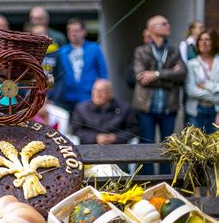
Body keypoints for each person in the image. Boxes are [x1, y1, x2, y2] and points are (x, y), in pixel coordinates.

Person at [133, 15, 187, 175]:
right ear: (152, 29)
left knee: (168, 147)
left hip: (168, 107)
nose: (168, 26)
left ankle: (166, 181)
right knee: (146, 146)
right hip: (145, 107)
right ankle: (148, 182)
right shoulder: (141, 51)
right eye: (164, 24)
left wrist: (156, 74)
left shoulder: (173, 50)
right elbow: (141, 77)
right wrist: (170, 78)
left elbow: (183, 74)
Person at [59, 17, 108, 112]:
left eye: (76, 30)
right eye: (70, 30)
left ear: (84, 31)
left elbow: (103, 73)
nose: (73, 33)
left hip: (88, 96)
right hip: (67, 98)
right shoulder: (62, 51)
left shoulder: (94, 48)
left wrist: (103, 93)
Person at [71, 79, 137, 145]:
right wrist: (95, 138)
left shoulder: (124, 108)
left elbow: (134, 130)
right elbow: (76, 131)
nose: (97, 94)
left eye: (102, 91)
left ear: (110, 93)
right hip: (90, 147)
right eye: (95, 90)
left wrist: (116, 137)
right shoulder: (81, 108)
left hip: (118, 147)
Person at [185, 29, 219, 134]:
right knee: (194, 146)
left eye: (207, 39)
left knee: (214, 147)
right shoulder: (191, 63)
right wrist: (216, 96)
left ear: (213, 42)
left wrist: (206, 85)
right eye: (201, 40)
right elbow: (191, 90)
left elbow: (198, 89)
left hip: (216, 111)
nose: (203, 42)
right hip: (196, 111)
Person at [31, 24, 63, 105]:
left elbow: (60, 78)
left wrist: (54, 98)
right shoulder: (29, 54)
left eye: (43, 33)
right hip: (32, 98)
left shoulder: (56, 53)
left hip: (51, 99)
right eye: (37, 34)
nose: (41, 36)